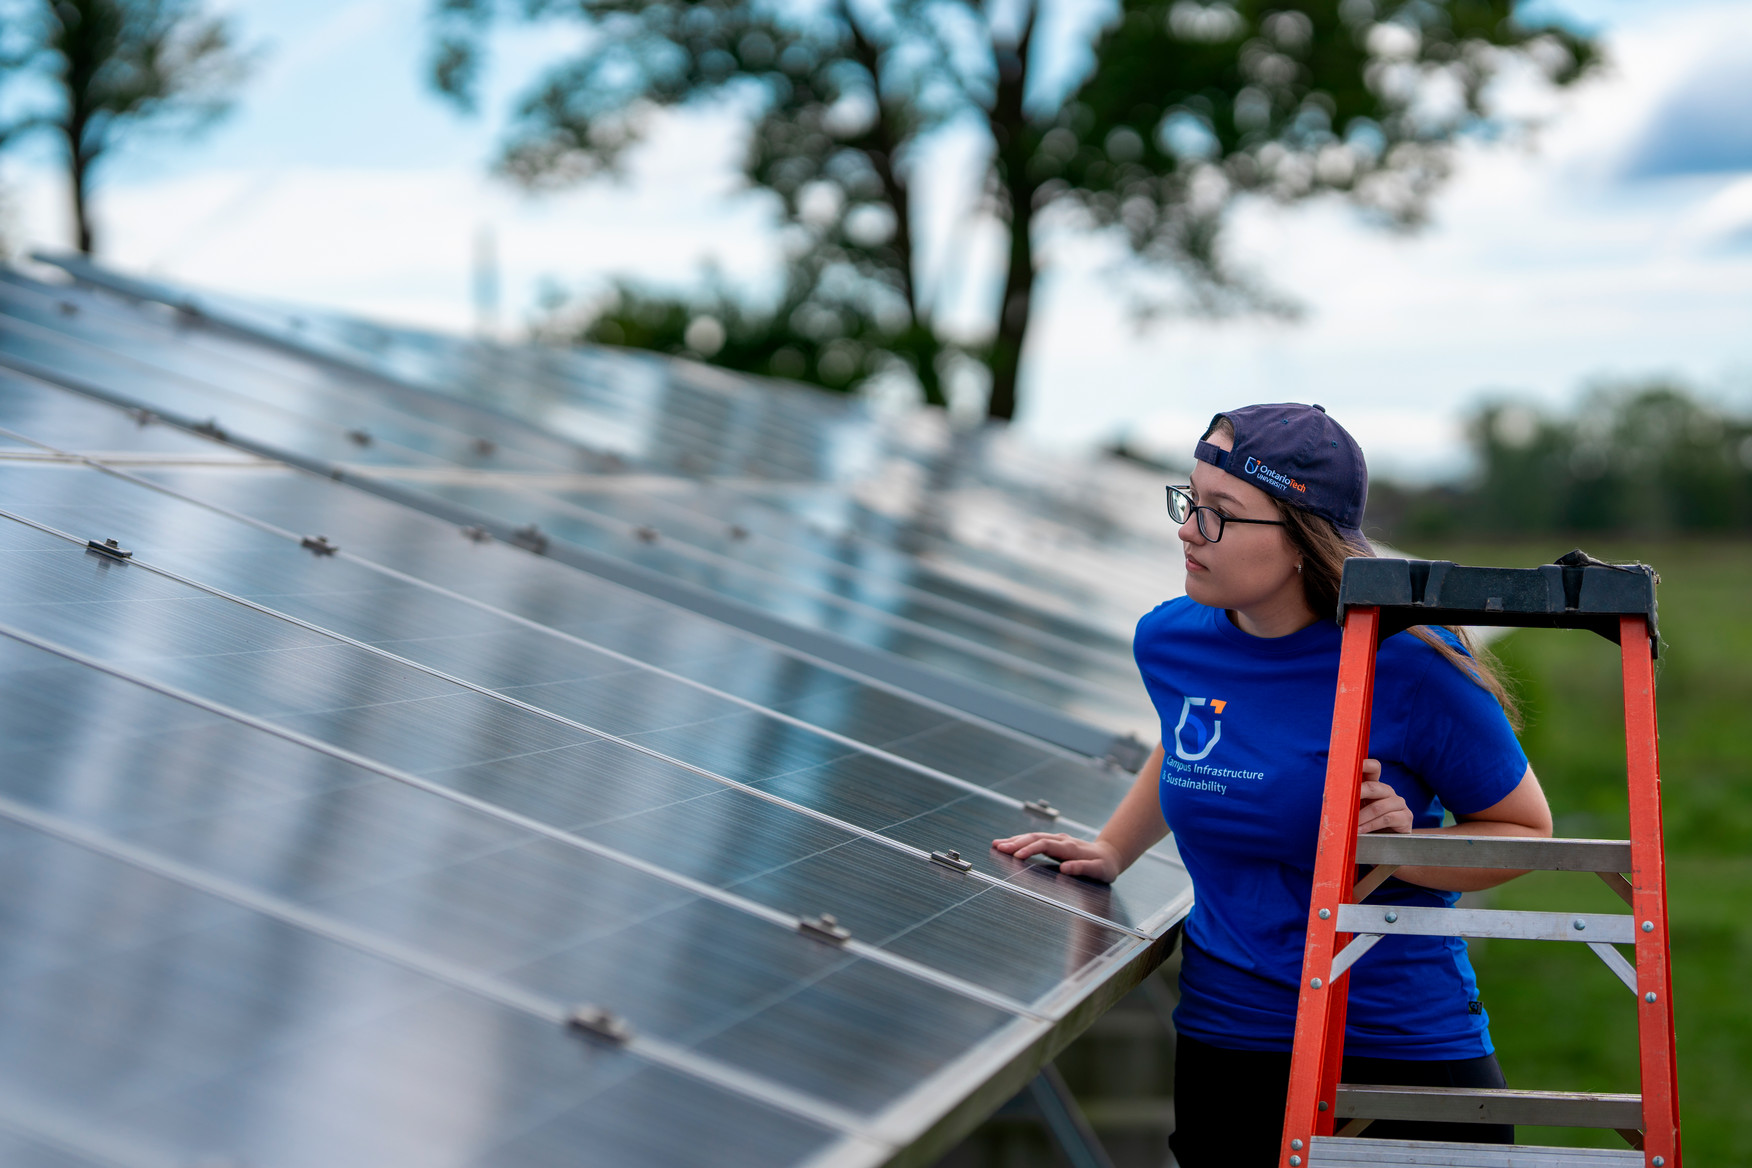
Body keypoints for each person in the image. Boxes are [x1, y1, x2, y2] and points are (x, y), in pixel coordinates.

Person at [993, 403, 1553, 1167]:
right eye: (1189, 501)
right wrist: (1112, 848)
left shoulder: (1409, 664)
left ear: (1302, 540)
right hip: (1229, 1044)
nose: (1188, 530)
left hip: (1396, 1052)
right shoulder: (1172, 639)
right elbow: (1191, 738)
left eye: (1221, 514)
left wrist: (1401, 848)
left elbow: (1525, 832)